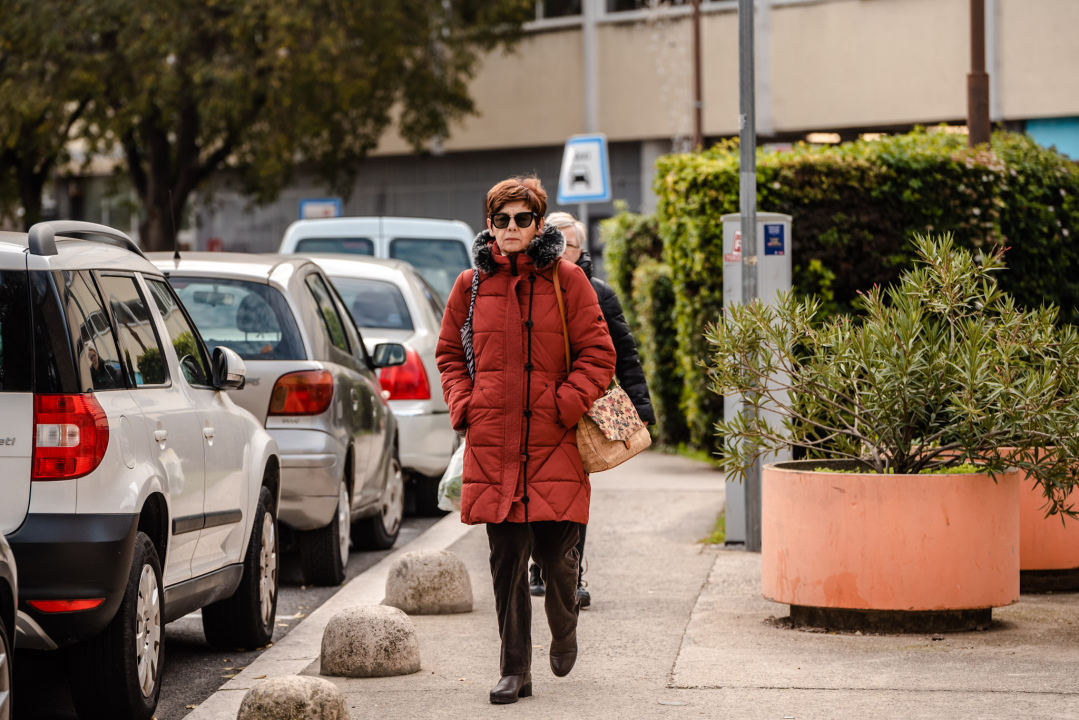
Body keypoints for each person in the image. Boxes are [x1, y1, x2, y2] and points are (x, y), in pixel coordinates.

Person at [436, 177, 616, 704]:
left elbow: (599, 355)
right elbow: (449, 355)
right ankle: (515, 668)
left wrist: (564, 404)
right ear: (490, 225)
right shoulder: (469, 286)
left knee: (560, 558)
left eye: (521, 219)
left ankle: (565, 626)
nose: (510, 229)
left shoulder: (567, 281)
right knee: (506, 560)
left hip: (553, 441)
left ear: (538, 224)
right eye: (501, 220)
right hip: (495, 444)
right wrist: (466, 405)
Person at [528, 212, 657, 607]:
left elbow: (622, 352)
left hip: (582, 411)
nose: (563, 251)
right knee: (534, 493)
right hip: (539, 411)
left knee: (572, 497)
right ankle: (539, 565)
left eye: (570, 244)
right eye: (556, 242)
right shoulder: (528, 285)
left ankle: (572, 573)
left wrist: (641, 406)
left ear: (582, 249)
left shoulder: (597, 291)